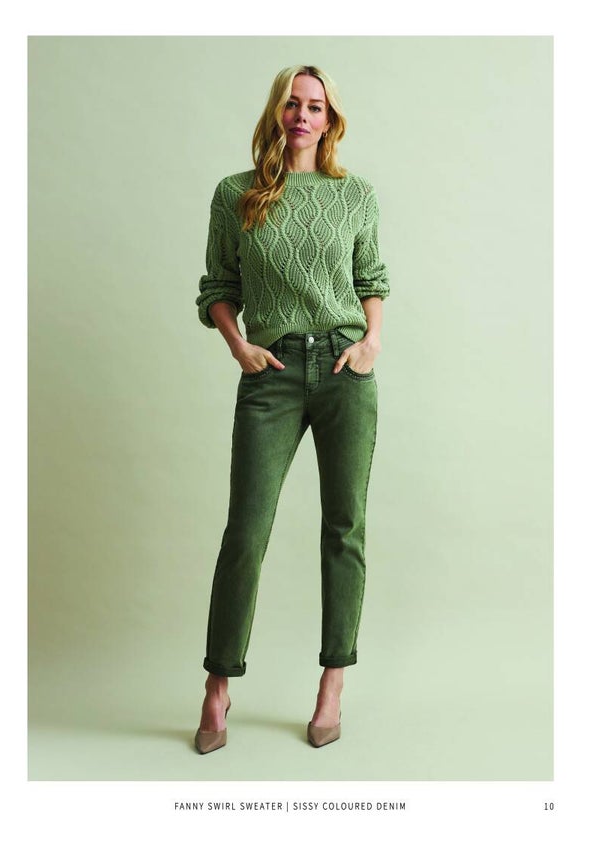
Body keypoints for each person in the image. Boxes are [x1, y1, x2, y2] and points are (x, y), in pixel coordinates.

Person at [194, 64, 390, 753]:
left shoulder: (355, 194)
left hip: (343, 370)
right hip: (272, 372)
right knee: (245, 532)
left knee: (345, 528)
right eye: (292, 104)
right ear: (276, 112)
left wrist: (370, 342)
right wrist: (238, 345)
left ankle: (332, 685)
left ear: (329, 120)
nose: (303, 116)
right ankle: (218, 687)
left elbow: (371, 278)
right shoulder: (236, 193)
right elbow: (218, 286)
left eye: (316, 107)